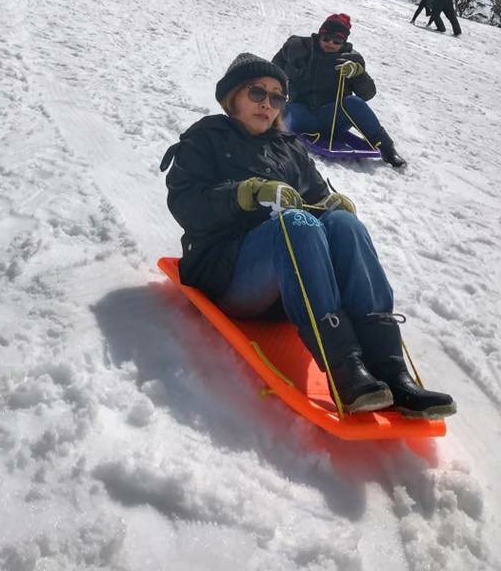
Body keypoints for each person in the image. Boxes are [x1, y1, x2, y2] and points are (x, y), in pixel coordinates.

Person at [160, 53, 456, 418]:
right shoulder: (205, 138)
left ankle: (392, 371)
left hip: (293, 291)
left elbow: (317, 199)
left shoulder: (289, 148)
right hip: (227, 275)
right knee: (296, 224)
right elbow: (186, 204)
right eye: (257, 93)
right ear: (232, 98)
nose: (268, 104)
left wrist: (332, 203)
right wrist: (246, 193)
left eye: (277, 97)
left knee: (345, 225)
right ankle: (344, 370)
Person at [272, 13, 406, 168]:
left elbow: (367, 94)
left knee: (354, 103)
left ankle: (388, 150)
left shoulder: (351, 60)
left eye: (336, 41)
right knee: (286, 110)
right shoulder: (297, 48)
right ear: (319, 35)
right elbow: (272, 72)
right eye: (326, 38)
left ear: (344, 42)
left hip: (333, 119)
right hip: (302, 115)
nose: (330, 43)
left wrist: (358, 74)